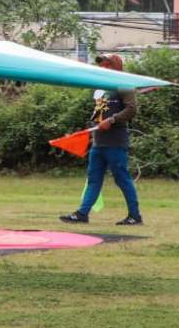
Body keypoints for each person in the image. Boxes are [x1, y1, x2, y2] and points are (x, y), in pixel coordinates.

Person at [60, 54, 143, 226]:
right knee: (93, 179)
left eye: (106, 64)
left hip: (115, 142)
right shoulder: (100, 87)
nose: (103, 68)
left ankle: (135, 216)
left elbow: (132, 109)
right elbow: (99, 113)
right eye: (102, 65)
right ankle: (82, 213)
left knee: (122, 179)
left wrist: (112, 120)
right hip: (99, 142)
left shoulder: (124, 84)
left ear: (116, 67)